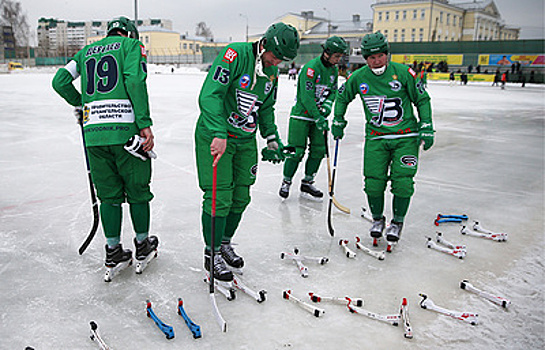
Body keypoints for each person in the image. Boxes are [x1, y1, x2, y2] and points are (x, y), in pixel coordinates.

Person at [52, 17, 158, 274]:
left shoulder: (85, 52)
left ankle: (113, 251)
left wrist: (82, 103)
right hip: (126, 133)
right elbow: (134, 81)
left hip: (95, 136)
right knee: (137, 190)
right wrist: (144, 123)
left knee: (108, 196)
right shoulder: (131, 47)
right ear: (130, 34)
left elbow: (59, 82)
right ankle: (143, 244)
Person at [195, 22, 299, 281]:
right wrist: (219, 132)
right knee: (219, 197)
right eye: (274, 56)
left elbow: (266, 107)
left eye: (282, 60)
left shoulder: (272, 72)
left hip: (245, 139)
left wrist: (272, 138)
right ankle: (212, 253)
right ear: (264, 44)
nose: (276, 62)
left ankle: (225, 243)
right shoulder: (235, 54)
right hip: (217, 135)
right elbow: (209, 95)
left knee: (241, 196)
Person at [331, 32, 434, 243]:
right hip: (376, 138)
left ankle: (397, 221)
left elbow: (422, 99)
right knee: (373, 183)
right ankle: (378, 218)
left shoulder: (404, 72)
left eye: (380, 56)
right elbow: (342, 97)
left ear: (387, 54)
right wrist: (338, 120)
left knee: (403, 181)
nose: (376, 61)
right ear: (365, 58)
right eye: (371, 57)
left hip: (405, 136)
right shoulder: (359, 77)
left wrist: (426, 125)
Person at [278, 36, 348, 200]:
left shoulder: (333, 70)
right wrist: (317, 115)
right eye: (336, 56)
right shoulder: (311, 68)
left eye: (340, 56)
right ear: (327, 53)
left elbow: (333, 91)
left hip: (319, 117)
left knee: (318, 150)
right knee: (296, 151)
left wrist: (327, 107)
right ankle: (286, 181)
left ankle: (307, 182)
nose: (339, 60)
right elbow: (306, 97)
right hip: (301, 116)